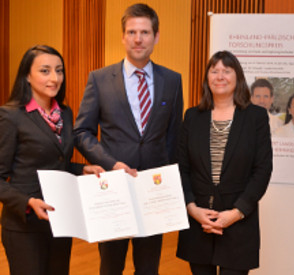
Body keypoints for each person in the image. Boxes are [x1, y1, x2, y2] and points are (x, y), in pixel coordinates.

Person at [73, 3, 183, 275]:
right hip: (114, 189)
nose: (138, 38)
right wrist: (111, 164)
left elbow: (174, 135)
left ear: (156, 37)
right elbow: (81, 132)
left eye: (145, 32)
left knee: (148, 268)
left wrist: (166, 179)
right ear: (122, 36)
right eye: (132, 32)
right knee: (111, 267)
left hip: (153, 191)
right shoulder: (99, 79)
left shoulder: (172, 80)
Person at [0, 45, 104, 275]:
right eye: (45, 71)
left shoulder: (64, 114)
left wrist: (82, 169)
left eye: (59, 70)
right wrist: (27, 201)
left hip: (60, 219)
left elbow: (57, 164)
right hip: (24, 225)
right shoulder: (10, 115)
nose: (54, 78)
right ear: (27, 75)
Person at [176, 51, 272, 275]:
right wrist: (191, 208)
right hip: (199, 222)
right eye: (214, 70)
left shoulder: (255, 117)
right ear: (207, 78)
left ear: (237, 77)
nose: (220, 76)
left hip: (238, 223)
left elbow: (262, 170)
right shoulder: (192, 117)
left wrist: (237, 212)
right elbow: (182, 167)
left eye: (226, 71)